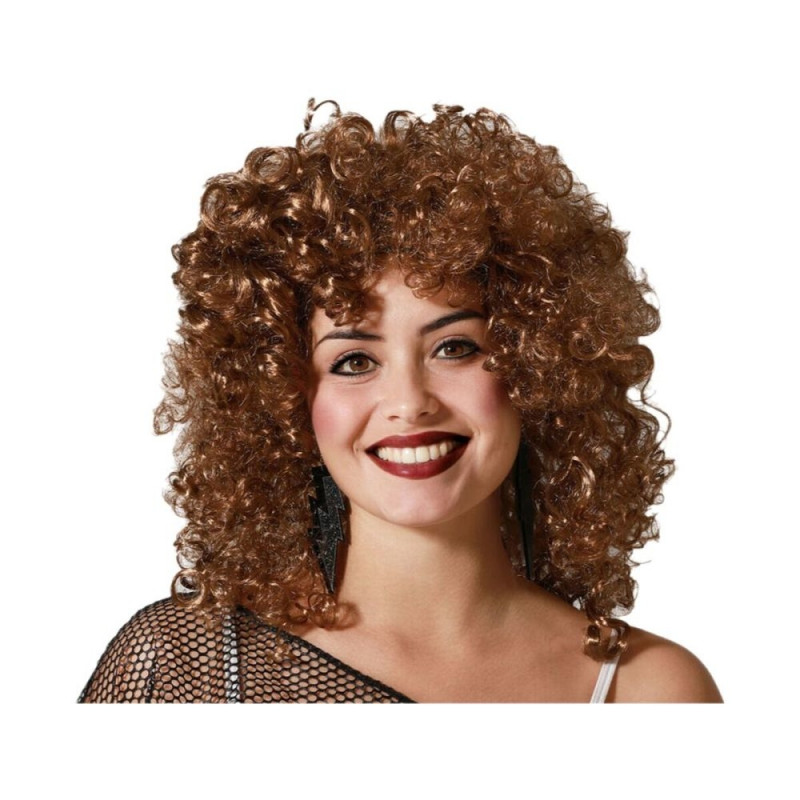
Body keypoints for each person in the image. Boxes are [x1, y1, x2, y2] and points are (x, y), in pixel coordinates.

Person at [79, 100, 722, 703]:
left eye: (454, 348)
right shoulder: (192, 669)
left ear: (539, 369)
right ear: (285, 401)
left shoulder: (645, 692)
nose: (409, 403)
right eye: (354, 362)